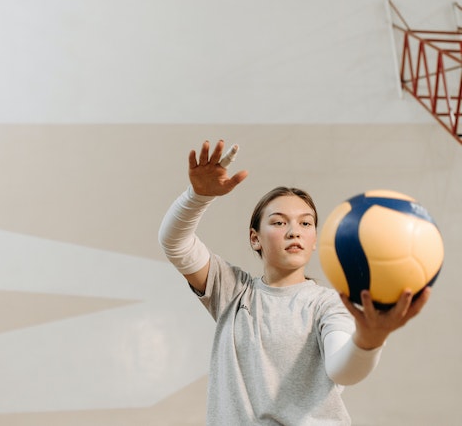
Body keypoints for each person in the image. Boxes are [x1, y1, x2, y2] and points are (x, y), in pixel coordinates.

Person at [158, 140, 431, 425]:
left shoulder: (327, 303)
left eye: (305, 223)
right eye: (278, 222)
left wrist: (369, 341)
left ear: (314, 241)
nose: (294, 232)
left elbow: (341, 370)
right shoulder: (232, 291)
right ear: (255, 238)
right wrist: (197, 197)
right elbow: (175, 243)